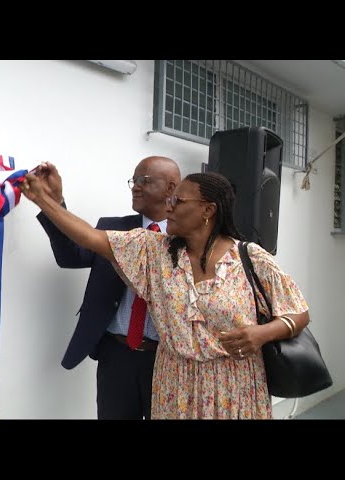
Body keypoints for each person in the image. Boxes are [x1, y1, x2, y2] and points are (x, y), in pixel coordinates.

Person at [22, 165, 310, 419]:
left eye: (178, 201)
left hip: (232, 389)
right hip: (174, 386)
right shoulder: (153, 250)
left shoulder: (250, 258)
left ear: (208, 210)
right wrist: (44, 200)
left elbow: (298, 311)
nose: (168, 207)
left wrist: (262, 333)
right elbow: (87, 237)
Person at [36, 157, 181, 419]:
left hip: (166, 359)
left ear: (171, 188)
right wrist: (55, 204)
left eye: (144, 181)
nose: (135, 187)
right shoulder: (113, 228)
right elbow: (70, 257)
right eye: (133, 180)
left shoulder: (186, 240)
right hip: (116, 355)